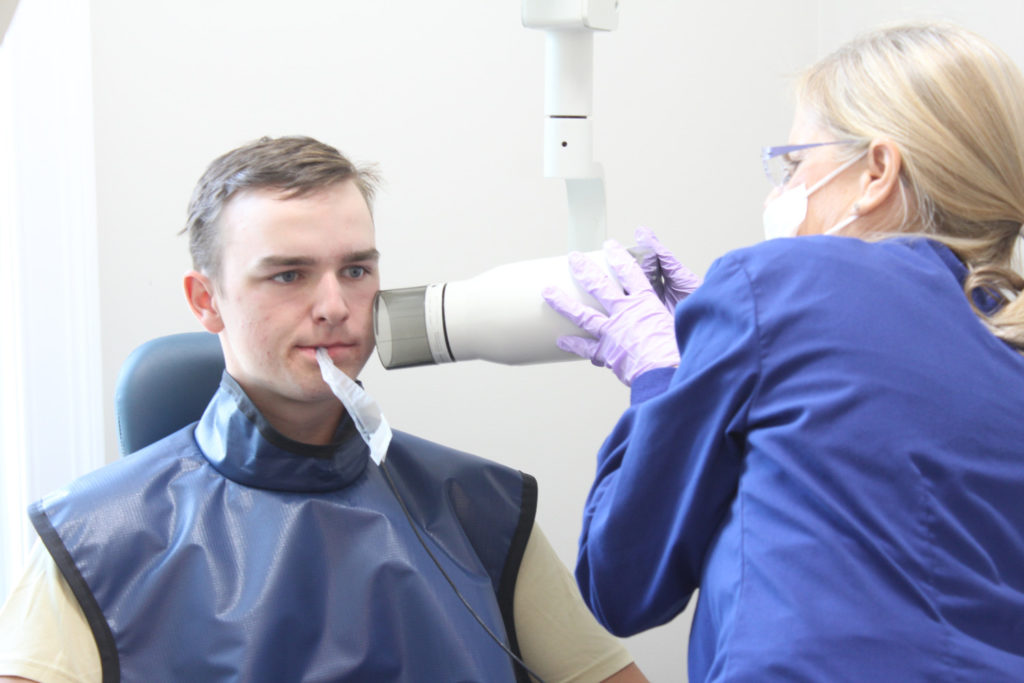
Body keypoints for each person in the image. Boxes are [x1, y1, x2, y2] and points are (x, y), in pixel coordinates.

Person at [0, 136, 646, 683]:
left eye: (357, 270)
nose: (335, 305)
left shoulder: (482, 509)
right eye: (289, 275)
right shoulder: (91, 540)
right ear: (206, 300)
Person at [543, 22, 1024, 681]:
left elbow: (623, 581)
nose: (778, 193)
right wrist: (721, 354)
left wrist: (662, 374)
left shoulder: (783, 281)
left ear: (877, 170)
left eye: (795, 164)